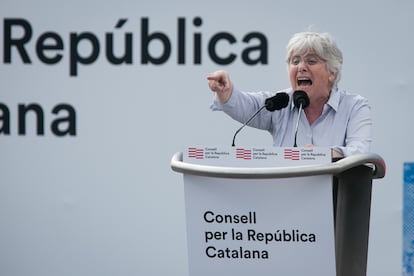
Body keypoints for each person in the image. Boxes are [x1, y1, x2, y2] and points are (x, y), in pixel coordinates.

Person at [207, 32, 372, 157]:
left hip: (335, 198)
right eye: (295, 61)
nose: (301, 67)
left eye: (311, 61)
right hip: (282, 197)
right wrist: (226, 92)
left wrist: (321, 156)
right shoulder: (281, 102)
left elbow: (360, 152)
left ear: (332, 73)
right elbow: (247, 105)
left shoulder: (354, 107)